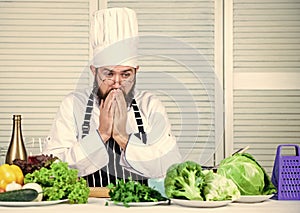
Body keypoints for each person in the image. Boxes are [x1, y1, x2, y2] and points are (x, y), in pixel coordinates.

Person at [43, 7, 182, 187]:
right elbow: (54, 168)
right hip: (88, 205)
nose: (117, 83)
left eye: (126, 74)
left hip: (140, 204)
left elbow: (170, 167)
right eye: (108, 74)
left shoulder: (150, 105)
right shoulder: (72, 105)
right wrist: (101, 133)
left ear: (136, 71)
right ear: (94, 71)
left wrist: (122, 137)